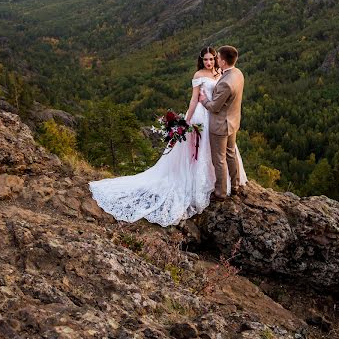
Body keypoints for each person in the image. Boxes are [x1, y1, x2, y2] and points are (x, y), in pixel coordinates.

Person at [89, 46, 247, 227]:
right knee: (212, 154)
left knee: (220, 155)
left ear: (220, 61)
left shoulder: (223, 75)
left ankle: (223, 186)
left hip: (217, 119)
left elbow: (218, 101)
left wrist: (206, 101)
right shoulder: (203, 76)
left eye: (213, 58)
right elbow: (195, 100)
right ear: (201, 60)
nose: (210, 62)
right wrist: (186, 122)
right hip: (205, 117)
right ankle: (220, 186)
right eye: (206, 59)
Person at [199, 45, 244, 202]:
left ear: (223, 62)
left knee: (219, 158)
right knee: (231, 153)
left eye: (217, 57)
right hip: (233, 122)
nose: (215, 59)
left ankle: (221, 192)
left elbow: (214, 107)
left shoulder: (225, 83)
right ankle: (236, 185)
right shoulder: (238, 73)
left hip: (220, 125)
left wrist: (203, 99)